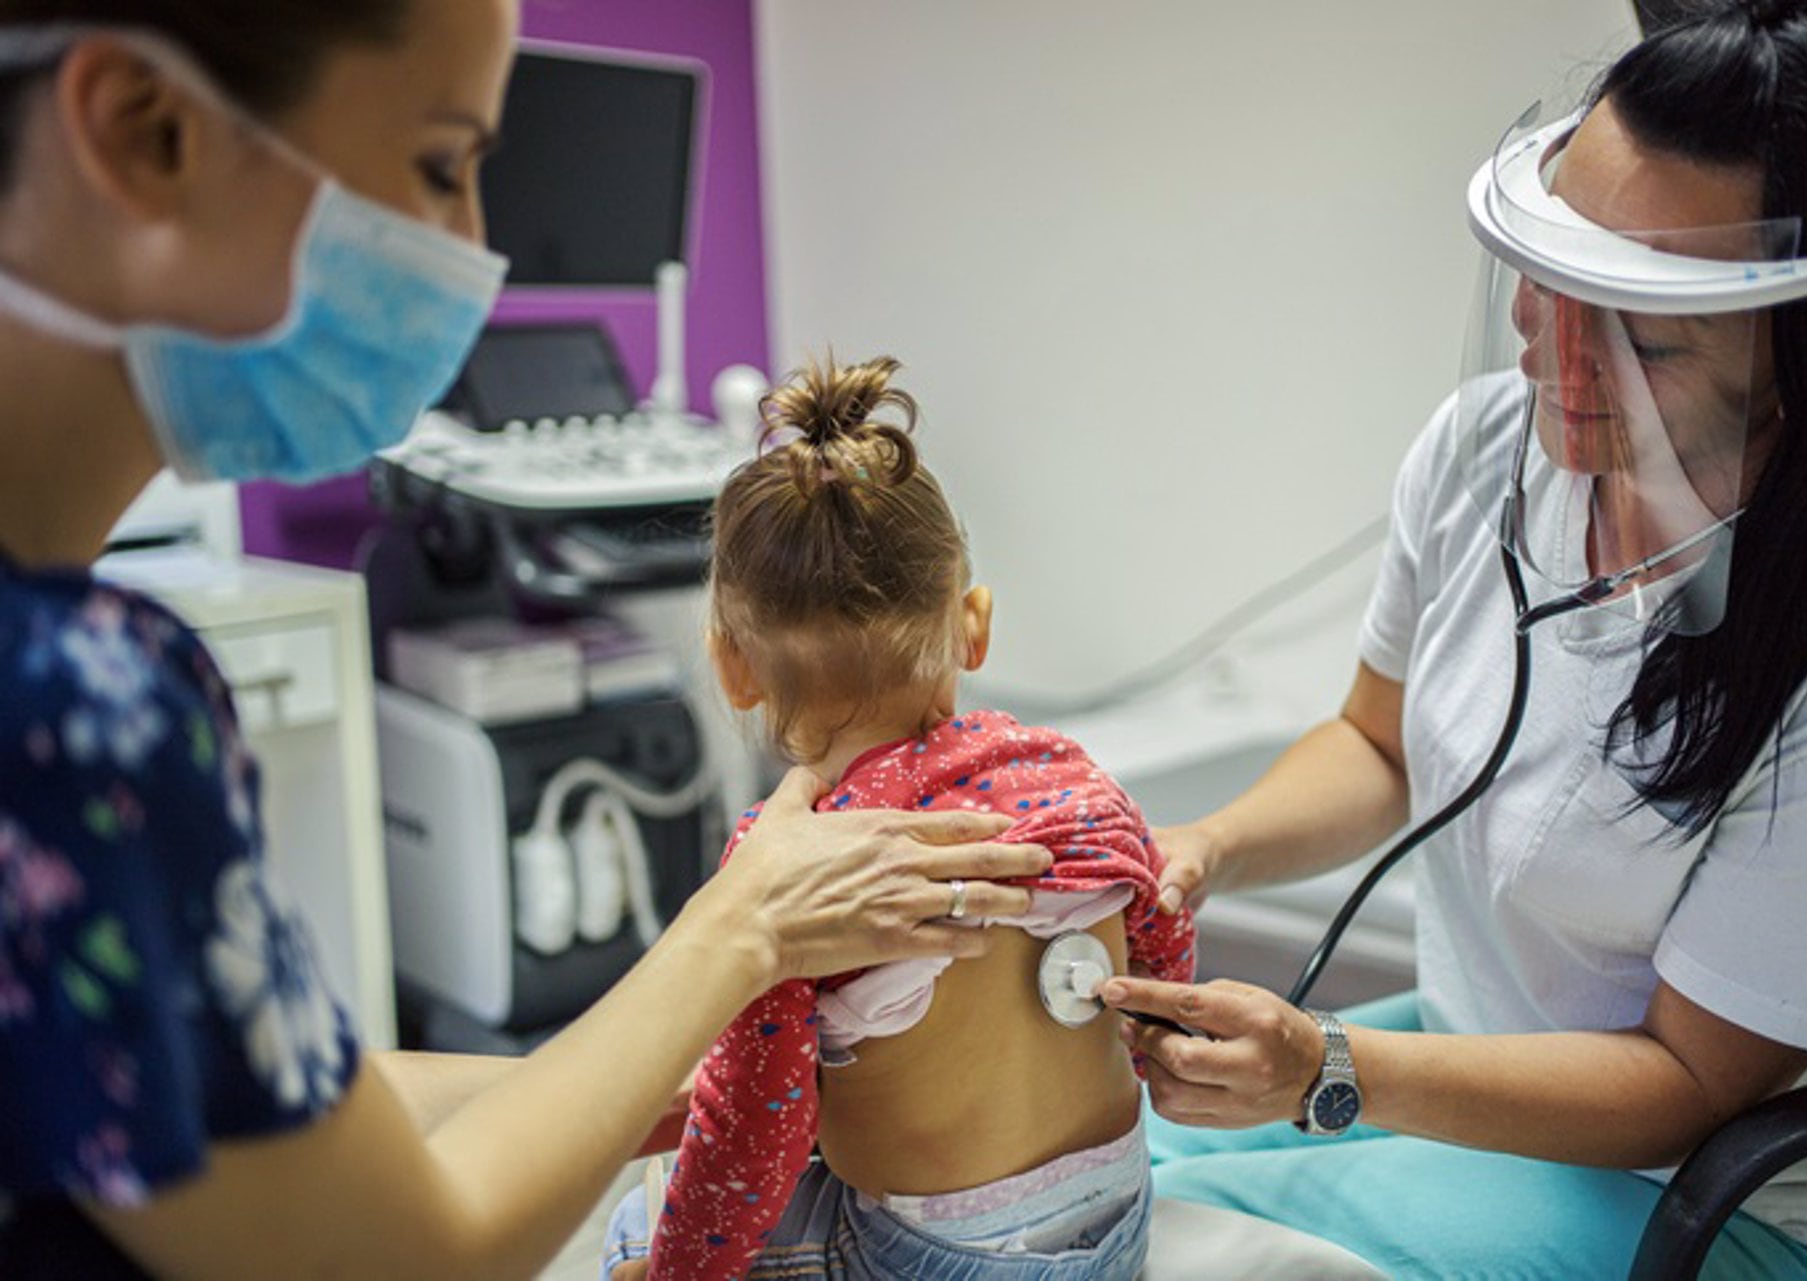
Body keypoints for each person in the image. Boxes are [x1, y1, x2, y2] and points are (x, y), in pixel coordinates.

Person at [0, 6, 1053, 1278]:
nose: (479, 250)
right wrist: (741, 930)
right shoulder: (73, 703)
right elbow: (395, 1255)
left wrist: (630, 1070)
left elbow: (265, 1107)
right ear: (146, 132)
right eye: (443, 165)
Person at [1100, 1, 1807, 1277]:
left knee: (1164, 1251)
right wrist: (1204, 847)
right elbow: (1376, 747)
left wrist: (1323, 1065)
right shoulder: (1490, 448)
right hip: (1476, 1074)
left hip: (1723, 1196)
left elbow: (1689, 1078)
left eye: (1648, 338)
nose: (1562, 361)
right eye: (1550, 282)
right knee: (1096, 1172)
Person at [600, 356, 1197, 1280]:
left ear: (731, 665)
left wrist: (681, 1270)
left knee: (640, 1226)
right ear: (974, 623)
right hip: (1119, 1220)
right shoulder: (1069, 774)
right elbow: (1162, 934)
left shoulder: (791, 862)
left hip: (927, 1257)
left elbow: (748, 1133)